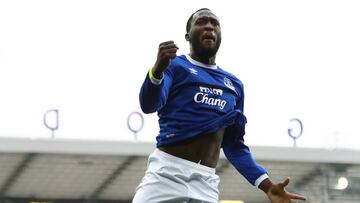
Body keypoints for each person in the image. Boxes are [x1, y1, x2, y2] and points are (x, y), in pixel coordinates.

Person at [133, 8, 307, 203]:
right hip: (165, 176)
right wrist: (156, 71)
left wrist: (267, 186)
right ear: (187, 36)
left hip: (206, 184)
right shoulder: (174, 66)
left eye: (214, 23)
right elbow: (149, 105)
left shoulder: (234, 85)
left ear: (220, 35)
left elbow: (233, 145)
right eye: (201, 22)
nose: (209, 26)